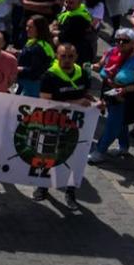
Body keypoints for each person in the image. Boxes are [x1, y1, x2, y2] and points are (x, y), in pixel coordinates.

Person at [35, 42, 95, 207]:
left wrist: (95, 104)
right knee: (48, 156)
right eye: (63, 56)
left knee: (74, 158)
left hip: (75, 126)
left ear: (76, 57)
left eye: (70, 56)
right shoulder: (50, 75)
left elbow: (85, 94)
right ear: (57, 56)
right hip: (53, 123)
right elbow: (46, 101)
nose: (67, 59)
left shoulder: (82, 73)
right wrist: (76, 101)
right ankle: (42, 186)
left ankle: (70, 192)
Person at [88, 28, 134, 164]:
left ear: (133, 42)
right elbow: (100, 65)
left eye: (124, 41)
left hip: (126, 98)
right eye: (117, 40)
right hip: (109, 93)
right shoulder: (111, 52)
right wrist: (92, 67)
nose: (120, 43)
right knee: (121, 123)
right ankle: (124, 147)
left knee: (113, 125)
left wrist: (126, 89)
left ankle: (100, 151)